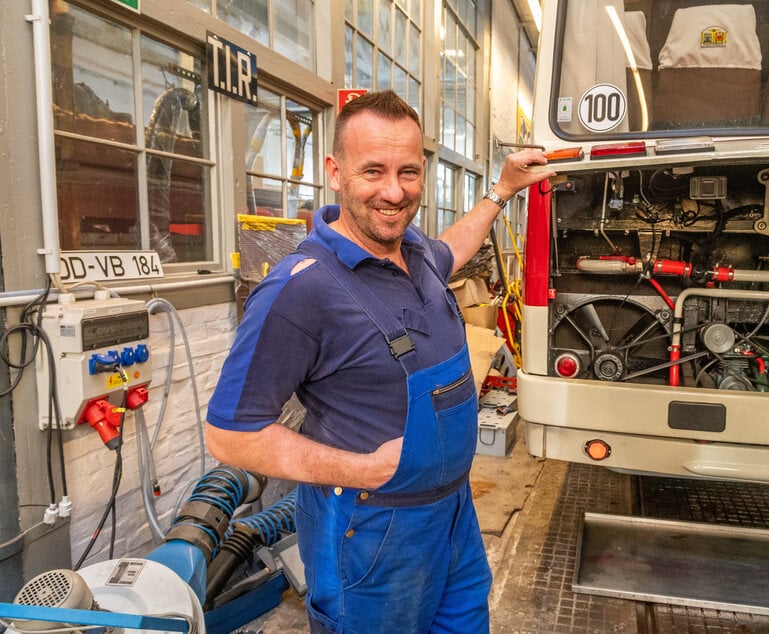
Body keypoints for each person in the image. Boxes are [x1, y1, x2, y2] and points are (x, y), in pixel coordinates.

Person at [205, 90, 555, 633]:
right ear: (336, 172)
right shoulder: (301, 292)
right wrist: (363, 468)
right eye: (373, 171)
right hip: (372, 533)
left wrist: (501, 190)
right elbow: (230, 435)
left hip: (452, 516)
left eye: (408, 172)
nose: (394, 192)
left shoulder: (415, 252)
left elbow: (454, 247)